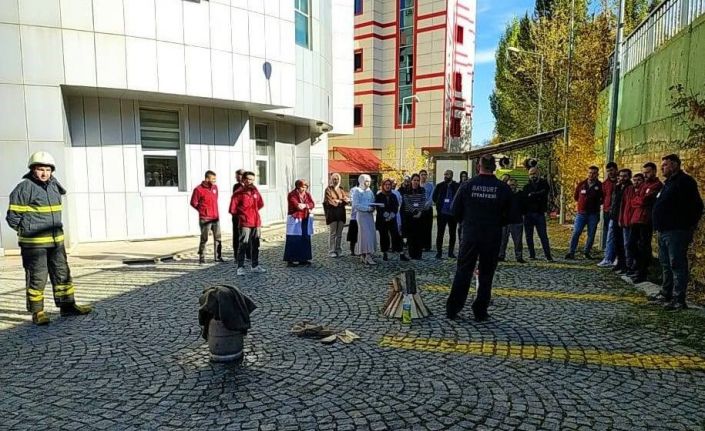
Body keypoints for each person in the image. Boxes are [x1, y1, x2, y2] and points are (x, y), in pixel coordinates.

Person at [6, 151, 92, 325]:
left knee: (62, 274)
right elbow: (13, 218)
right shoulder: (24, 188)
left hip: (56, 242)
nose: (44, 173)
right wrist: (27, 231)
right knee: (37, 277)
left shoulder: (54, 186)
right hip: (34, 244)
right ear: (32, 170)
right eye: (40, 169)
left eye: (47, 169)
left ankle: (68, 307)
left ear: (52, 171)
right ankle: (37, 312)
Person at [446, 155, 512, 322]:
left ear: (478, 167)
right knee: (486, 274)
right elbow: (510, 215)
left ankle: (453, 308)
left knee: (463, 271)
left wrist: (467, 222)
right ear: (494, 167)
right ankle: (480, 310)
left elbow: (454, 211)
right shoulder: (503, 188)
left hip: (470, 235)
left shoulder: (467, 185)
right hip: (492, 236)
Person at [650, 154, 703, 310]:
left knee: (677, 264)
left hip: (677, 231)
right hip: (663, 230)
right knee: (665, 263)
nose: (662, 168)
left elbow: (697, 206)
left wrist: (687, 225)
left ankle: (679, 299)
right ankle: (666, 292)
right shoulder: (669, 183)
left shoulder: (685, 182)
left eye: (665, 165)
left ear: (674, 165)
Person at [626, 163, 662, 283]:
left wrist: (638, 201)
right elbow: (633, 200)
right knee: (631, 244)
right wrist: (639, 201)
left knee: (644, 246)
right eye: (644, 172)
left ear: (654, 171)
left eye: (648, 172)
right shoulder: (644, 185)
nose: (645, 175)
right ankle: (639, 266)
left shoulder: (657, 185)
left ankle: (642, 271)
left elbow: (645, 200)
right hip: (636, 218)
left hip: (646, 219)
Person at [229, 171, 266, 276]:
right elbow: (233, 209)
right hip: (245, 222)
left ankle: (255, 265)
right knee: (243, 244)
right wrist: (244, 214)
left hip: (256, 221)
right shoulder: (238, 193)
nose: (250, 181)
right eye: (248, 179)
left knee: (256, 244)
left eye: (252, 179)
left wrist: (253, 213)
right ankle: (240, 267)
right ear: (243, 180)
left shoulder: (255, 190)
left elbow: (260, 203)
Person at [565, 166, 603, 260]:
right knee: (576, 232)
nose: (591, 175)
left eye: (594, 173)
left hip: (593, 214)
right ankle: (571, 252)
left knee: (591, 234)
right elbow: (576, 197)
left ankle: (587, 252)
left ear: (597, 174)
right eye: (590, 172)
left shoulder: (600, 185)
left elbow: (603, 199)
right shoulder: (582, 184)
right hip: (581, 213)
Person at [190, 170, 223, 264]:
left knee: (218, 237)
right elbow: (193, 202)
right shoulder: (198, 189)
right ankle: (202, 257)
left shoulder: (215, 188)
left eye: (215, 179)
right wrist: (203, 210)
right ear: (207, 178)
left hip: (215, 217)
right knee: (204, 238)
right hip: (205, 218)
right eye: (212, 179)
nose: (214, 181)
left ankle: (218, 256)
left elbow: (215, 199)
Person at [522, 167, 553, 261]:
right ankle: (532, 255)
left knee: (543, 235)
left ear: (538, 173)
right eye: (531, 174)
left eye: (534, 173)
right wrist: (535, 195)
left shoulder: (544, 184)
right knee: (528, 236)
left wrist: (532, 195)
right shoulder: (526, 186)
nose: (533, 176)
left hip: (539, 213)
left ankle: (548, 256)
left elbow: (544, 193)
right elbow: (525, 199)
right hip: (528, 214)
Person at [284, 179, 315, 267]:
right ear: (298, 186)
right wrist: (303, 205)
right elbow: (296, 205)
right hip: (295, 218)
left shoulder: (307, 194)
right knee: (294, 238)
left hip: (305, 218)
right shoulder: (292, 194)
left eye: (305, 187)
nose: (303, 189)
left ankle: (303, 258)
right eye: (302, 187)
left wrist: (305, 205)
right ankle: (291, 259)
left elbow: (312, 203)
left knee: (305, 237)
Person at [375, 179, 407, 261]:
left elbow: (396, 207)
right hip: (382, 220)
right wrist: (385, 215)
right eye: (386, 184)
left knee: (396, 236)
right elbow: (378, 207)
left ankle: (401, 253)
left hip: (392, 220)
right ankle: (384, 253)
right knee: (384, 236)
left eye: (389, 184)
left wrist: (391, 216)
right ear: (383, 185)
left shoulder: (393, 196)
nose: (388, 186)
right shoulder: (379, 196)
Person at [609, 168, 633, 274]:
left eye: (625, 176)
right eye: (621, 176)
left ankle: (626, 265)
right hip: (615, 217)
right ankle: (619, 262)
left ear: (629, 177)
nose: (622, 178)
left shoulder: (629, 188)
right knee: (617, 241)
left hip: (624, 218)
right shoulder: (617, 187)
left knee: (625, 243)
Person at [432, 169, 459, 259]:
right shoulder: (440, 186)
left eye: (447, 174)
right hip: (442, 213)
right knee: (440, 233)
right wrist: (439, 205)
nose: (445, 176)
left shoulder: (456, 186)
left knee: (452, 233)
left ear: (451, 175)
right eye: (444, 174)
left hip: (452, 214)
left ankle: (451, 252)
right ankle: (439, 252)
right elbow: (434, 197)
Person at [351, 174, 378, 265]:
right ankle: (367, 255)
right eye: (366, 181)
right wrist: (367, 208)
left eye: (369, 181)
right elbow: (356, 205)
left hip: (369, 216)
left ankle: (364, 254)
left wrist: (373, 207)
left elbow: (373, 201)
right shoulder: (357, 191)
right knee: (365, 235)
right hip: (362, 215)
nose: (368, 183)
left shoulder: (370, 191)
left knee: (370, 233)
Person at [499, 178, 526, 263]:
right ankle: (501, 255)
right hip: (505, 221)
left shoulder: (521, 195)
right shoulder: (504, 195)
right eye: (509, 185)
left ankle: (519, 256)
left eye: (513, 185)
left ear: (516, 185)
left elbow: (524, 207)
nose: (511, 187)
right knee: (502, 241)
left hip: (517, 221)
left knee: (518, 242)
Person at [598, 161, 619, 266]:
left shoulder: (620, 182)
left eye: (611, 170)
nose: (610, 173)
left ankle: (611, 257)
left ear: (616, 170)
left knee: (614, 235)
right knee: (609, 234)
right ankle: (610, 256)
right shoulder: (605, 184)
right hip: (607, 211)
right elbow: (603, 196)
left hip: (617, 212)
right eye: (608, 171)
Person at [402, 174, 428, 260]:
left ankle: (418, 254)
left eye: (417, 180)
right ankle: (412, 254)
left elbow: (423, 200)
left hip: (420, 215)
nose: (416, 182)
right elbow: (407, 202)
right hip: (409, 215)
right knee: (411, 236)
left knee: (419, 235)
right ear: (411, 181)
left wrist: (420, 211)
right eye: (414, 180)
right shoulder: (406, 190)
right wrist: (414, 211)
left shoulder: (422, 190)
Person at [323, 173, 349, 258]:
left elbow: (346, 200)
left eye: (337, 179)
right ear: (331, 180)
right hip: (332, 214)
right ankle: (332, 251)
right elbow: (330, 201)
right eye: (334, 179)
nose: (335, 181)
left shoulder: (341, 189)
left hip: (341, 213)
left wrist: (339, 201)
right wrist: (339, 201)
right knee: (333, 233)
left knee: (339, 234)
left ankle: (338, 249)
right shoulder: (328, 190)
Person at [231, 169, 247, 262]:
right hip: (237, 215)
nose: (236, 178)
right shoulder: (236, 186)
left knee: (247, 235)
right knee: (237, 235)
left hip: (247, 215)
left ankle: (248, 254)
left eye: (238, 176)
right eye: (236, 176)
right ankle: (237, 255)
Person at [419, 169, 434, 251]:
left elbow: (432, 196)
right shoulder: (418, 185)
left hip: (428, 209)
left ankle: (427, 246)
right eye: (422, 174)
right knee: (420, 227)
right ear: (419, 175)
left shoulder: (430, 186)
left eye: (425, 174)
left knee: (428, 227)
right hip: (419, 209)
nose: (424, 176)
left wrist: (427, 204)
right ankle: (420, 245)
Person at [347, 180, 362, 256]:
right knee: (353, 235)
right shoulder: (354, 190)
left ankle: (361, 250)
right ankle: (352, 250)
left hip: (363, 217)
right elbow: (353, 201)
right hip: (355, 217)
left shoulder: (366, 191)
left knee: (361, 235)